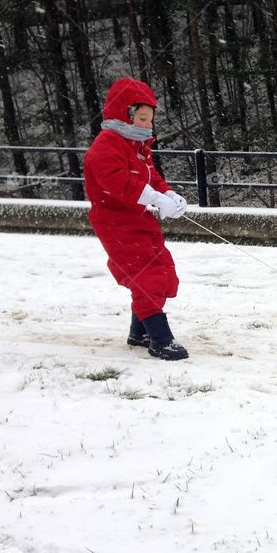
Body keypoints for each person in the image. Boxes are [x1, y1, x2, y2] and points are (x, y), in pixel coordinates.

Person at [83, 77, 190, 361]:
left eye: (149, 119)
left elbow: (151, 176)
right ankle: (160, 339)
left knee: (160, 268)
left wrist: (168, 192)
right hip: (115, 222)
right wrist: (154, 198)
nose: (147, 125)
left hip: (138, 218)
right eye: (141, 118)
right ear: (125, 114)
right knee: (146, 274)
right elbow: (117, 182)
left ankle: (139, 331)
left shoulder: (137, 146)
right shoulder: (105, 146)